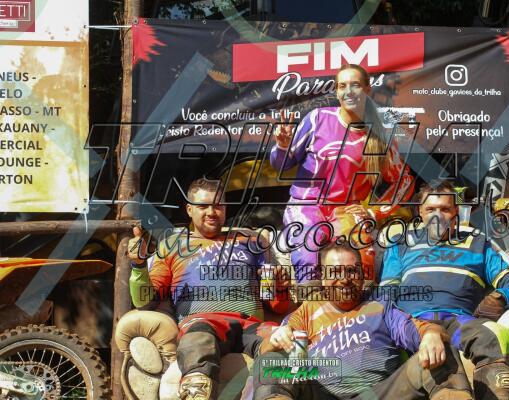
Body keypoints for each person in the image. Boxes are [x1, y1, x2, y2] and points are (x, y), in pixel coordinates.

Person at [127, 178, 291, 400]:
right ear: (189, 210)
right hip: (203, 323)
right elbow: (145, 301)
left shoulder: (251, 241)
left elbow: (276, 306)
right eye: (203, 206)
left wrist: (279, 287)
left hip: (251, 325)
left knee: (282, 343)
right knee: (197, 342)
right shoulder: (173, 246)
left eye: (218, 205)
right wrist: (138, 265)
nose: (212, 212)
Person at [254, 241, 473, 400]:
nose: (344, 280)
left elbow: (419, 330)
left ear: (362, 274)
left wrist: (432, 333)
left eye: (351, 271)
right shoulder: (306, 311)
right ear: (323, 277)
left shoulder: (379, 305)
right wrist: (275, 340)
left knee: (439, 347)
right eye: (335, 272)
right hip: (321, 394)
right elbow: (265, 350)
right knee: (271, 362)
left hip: (382, 393)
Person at [380, 179, 509, 400]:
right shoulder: (401, 243)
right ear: (420, 212)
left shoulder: (478, 243)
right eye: (430, 209)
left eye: (445, 209)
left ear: (456, 212)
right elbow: (386, 295)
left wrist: (502, 297)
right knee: (441, 347)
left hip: (460, 321)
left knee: (489, 336)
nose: (437, 216)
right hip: (415, 323)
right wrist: (402, 325)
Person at [270, 64, 415, 292]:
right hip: (306, 204)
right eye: (342, 86)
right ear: (336, 92)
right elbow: (281, 164)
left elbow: (404, 181)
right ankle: (311, 305)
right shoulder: (317, 119)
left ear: (367, 89)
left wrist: (373, 212)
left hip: (347, 210)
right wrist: (282, 146)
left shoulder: (381, 134)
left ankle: (362, 309)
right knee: (309, 244)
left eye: (355, 85)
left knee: (361, 257)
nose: (348, 91)